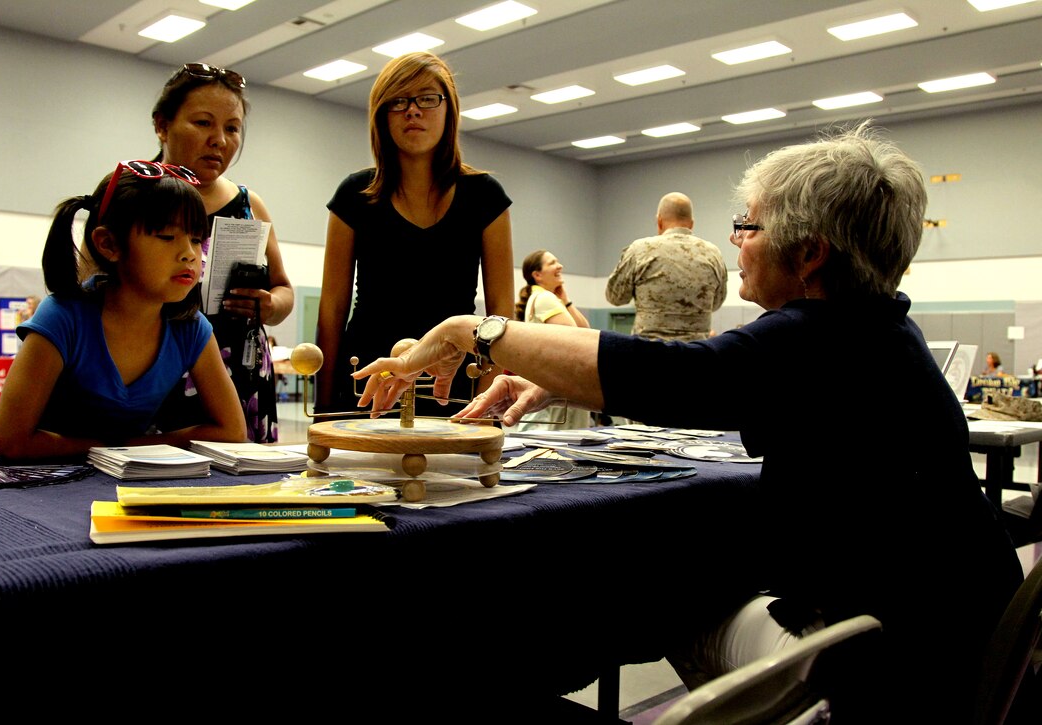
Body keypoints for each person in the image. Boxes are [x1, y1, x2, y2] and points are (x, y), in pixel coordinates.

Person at [351, 123, 1023, 722]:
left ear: (810, 252)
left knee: (652, 596)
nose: (737, 243)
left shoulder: (812, 338)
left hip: (894, 663)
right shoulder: (881, 331)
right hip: (961, 636)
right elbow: (697, 375)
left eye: (749, 227)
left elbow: (675, 375)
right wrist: (558, 371)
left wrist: (478, 330)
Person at [0, 161, 246, 459]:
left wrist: (122, 451)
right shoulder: (62, 318)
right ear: (109, 244)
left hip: (115, 479)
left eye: (196, 239)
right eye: (166, 236)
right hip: (26, 482)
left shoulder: (190, 327)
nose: (189, 253)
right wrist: (123, 449)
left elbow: (233, 432)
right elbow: (8, 442)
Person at [316, 51, 513, 416]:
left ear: (448, 109)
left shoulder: (485, 196)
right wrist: (325, 407)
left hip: (453, 379)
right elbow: (331, 312)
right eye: (399, 101)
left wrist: (486, 405)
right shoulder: (353, 196)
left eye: (427, 98)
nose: (413, 110)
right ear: (381, 113)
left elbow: (501, 316)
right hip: (367, 378)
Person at [150, 63, 294, 443]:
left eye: (232, 128)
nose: (219, 140)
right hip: (159, 373)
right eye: (203, 123)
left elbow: (284, 290)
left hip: (244, 375)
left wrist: (270, 305)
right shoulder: (135, 198)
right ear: (162, 125)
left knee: (249, 492)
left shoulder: (250, 204)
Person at [605, 191, 727, 341]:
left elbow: (615, 297)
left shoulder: (641, 250)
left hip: (649, 355)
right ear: (691, 224)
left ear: (659, 221)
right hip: (696, 357)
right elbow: (716, 303)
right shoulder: (713, 254)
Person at [513, 250, 592, 431]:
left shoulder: (542, 297)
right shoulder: (544, 298)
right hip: (558, 385)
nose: (560, 266)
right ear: (537, 275)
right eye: (552, 263)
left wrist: (566, 301)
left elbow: (586, 330)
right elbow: (580, 339)